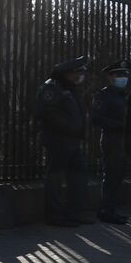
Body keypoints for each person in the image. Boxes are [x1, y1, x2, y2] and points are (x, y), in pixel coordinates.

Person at [35, 56, 92, 226]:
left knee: (79, 176)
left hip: (72, 141)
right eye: (78, 72)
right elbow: (48, 113)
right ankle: (55, 216)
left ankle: (73, 213)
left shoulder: (69, 87)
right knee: (55, 179)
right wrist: (70, 128)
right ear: (68, 73)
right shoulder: (52, 87)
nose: (80, 76)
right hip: (58, 140)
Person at [92, 60, 130, 224]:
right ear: (109, 77)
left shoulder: (123, 95)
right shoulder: (103, 95)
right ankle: (107, 211)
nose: (123, 77)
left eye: (124, 74)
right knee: (112, 176)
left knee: (118, 176)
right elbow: (96, 118)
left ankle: (107, 209)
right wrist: (121, 126)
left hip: (123, 141)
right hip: (112, 140)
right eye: (118, 75)